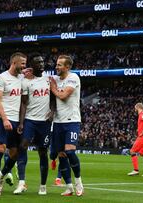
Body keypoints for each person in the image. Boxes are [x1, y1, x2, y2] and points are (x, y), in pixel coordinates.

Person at [15, 53, 55, 195]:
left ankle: (43, 186)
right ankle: (21, 182)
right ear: (32, 65)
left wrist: (52, 112)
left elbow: (54, 99)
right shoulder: (25, 82)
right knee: (22, 146)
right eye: (38, 62)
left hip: (44, 122)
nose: (42, 64)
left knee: (43, 152)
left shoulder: (49, 80)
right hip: (30, 120)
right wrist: (21, 122)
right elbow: (24, 103)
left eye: (43, 61)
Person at [0, 52, 26, 196]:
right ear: (14, 63)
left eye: (25, 63)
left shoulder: (22, 77)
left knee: (15, 153)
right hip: (2, 119)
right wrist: (4, 119)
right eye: (22, 63)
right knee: (0, 148)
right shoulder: (2, 78)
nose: (24, 66)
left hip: (17, 120)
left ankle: (1, 176)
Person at [49, 55, 84, 196]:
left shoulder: (73, 78)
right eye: (56, 64)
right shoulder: (55, 79)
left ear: (67, 67)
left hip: (72, 121)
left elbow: (63, 96)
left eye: (60, 65)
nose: (56, 67)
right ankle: (69, 187)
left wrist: (53, 88)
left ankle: (78, 182)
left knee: (70, 151)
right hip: (57, 122)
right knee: (61, 155)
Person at [127, 103, 143, 177]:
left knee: (132, 151)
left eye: (135, 107)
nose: (134, 109)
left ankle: (135, 170)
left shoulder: (142, 114)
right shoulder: (142, 114)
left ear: (138, 107)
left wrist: (142, 132)